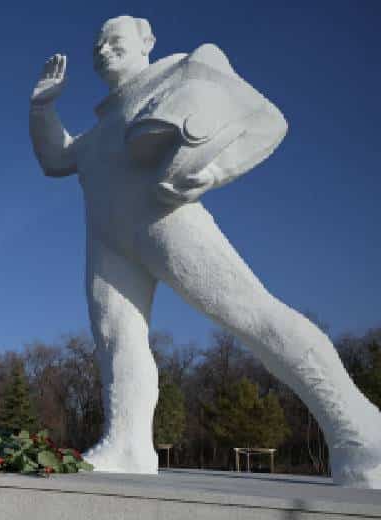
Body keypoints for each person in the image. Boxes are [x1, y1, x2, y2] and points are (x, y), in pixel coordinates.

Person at [29, 17, 381, 486]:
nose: (104, 52)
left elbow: (267, 120)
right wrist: (42, 110)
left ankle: (359, 429)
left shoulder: (182, 73)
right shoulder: (98, 132)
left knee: (252, 317)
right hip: (108, 243)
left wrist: (217, 170)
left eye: (115, 42)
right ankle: (129, 444)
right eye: (98, 46)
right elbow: (56, 159)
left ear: (146, 43)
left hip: (166, 221)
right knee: (117, 340)